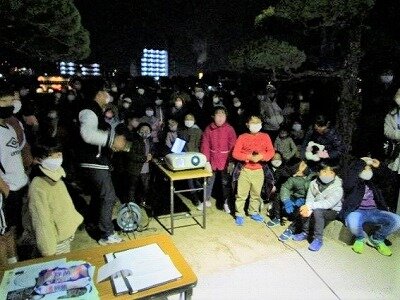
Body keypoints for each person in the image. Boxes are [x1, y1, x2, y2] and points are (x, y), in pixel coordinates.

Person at [77, 89, 127, 245]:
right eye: (105, 92)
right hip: (94, 162)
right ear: (98, 93)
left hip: (97, 161)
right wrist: (112, 140)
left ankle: (94, 223)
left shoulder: (95, 111)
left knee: (99, 197)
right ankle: (107, 233)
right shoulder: (89, 110)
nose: (108, 96)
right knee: (108, 196)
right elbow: (87, 134)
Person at [27, 139, 83, 256]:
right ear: (38, 159)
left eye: (59, 154)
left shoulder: (56, 175)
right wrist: (48, 251)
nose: (58, 158)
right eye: (53, 155)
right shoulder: (38, 186)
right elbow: (42, 222)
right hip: (56, 243)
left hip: (64, 236)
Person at [340, 157, 400, 256]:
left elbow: (390, 179)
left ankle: (376, 239)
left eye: (369, 168)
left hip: (375, 211)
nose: (367, 169)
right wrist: (361, 163)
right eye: (365, 168)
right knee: (352, 221)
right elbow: (349, 181)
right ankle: (360, 238)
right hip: (357, 211)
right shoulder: (353, 182)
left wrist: (380, 167)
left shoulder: (374, 182)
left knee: (397, 220)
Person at [0, 88, 30, 265]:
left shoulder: (9, 127)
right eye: (4, 102)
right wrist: (5, 190)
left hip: (16, 190)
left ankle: (13, 264)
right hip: (6, 191)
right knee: (2, 236)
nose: (10, 106)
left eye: (11, 101)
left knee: (11, 230)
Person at [232, 115, 275, 225]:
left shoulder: (265, 136)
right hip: (245, 170)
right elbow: (235, 153)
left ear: (261, 124)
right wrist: (248, 157)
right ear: (247, 124)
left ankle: (253, 212)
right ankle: (239, 214)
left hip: (259, 170)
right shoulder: (242, 137)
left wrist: (261, 156)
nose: (255, 125)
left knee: (256, 193)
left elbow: (271, 152)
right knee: (241, 194)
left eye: (258, 122)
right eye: (253, 122)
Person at [292, 162, 343, 251]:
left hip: (332, 210)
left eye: (331, 172)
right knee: (305, 207)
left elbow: (328, 204)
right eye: (324, 171)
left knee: (317, 210)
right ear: (318, 172)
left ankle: (318, 239)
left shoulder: (338, 188)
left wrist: (310, 206)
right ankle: (305, 233)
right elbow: (309, 198)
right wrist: (307, 206)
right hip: (317, 206)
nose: (327, 175)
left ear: (335, 175)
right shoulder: (313, 183)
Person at [200, 106, 236, 212]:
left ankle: (226, 202)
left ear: (226, 117)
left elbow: (233, 146)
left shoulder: (230, 129)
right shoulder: (208, 129)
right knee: (208, 180)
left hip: (225, 160)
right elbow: (205, 145)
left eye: (222, 115)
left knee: (226, 182)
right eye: (217, 115)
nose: (220, 117)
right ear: (213, 116)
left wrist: (231, 161)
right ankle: (205, 200)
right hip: (212, 159)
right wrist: (206, 160)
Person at [278, 161, 315, 241]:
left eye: (304, 165)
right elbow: (285, 188)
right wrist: (286, 200)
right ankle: (279, 217)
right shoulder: (293, 179)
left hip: (311, 200)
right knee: (282, 201)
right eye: (301, 165)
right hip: (296, 198)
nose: (304, 166)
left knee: (303, 210)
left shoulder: (314, 176)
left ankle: (292, 228)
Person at [266, 152, 292, 227]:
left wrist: (276, 186)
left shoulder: (285, 169)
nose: (276, 160)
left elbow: (286, 182)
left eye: (278, 158)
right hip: (268, 191)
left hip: (281, 190)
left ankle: (278, 217)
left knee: (279, 197)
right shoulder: (266, 167)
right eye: (274, 158)